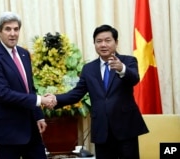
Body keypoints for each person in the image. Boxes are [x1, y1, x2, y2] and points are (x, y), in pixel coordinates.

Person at [46, 24, 149, 159]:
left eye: (107, 40)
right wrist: (55, 99)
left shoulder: (128, 61)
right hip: (102, 129)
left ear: (116, 42)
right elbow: (76, 93)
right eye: (99, 41)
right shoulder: (89, 69)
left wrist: (121, 69)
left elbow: (134, 78)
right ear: (94, 44)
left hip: (125, 128)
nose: (103, 45)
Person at [0, 12, 54, 159]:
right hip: (8, 132)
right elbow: (4, 94)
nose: (12, 33)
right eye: (7, 29)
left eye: (16, 29)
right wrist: (40, 100)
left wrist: (38, 116)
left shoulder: (24, 54)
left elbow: (29, 87)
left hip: (30, 129)